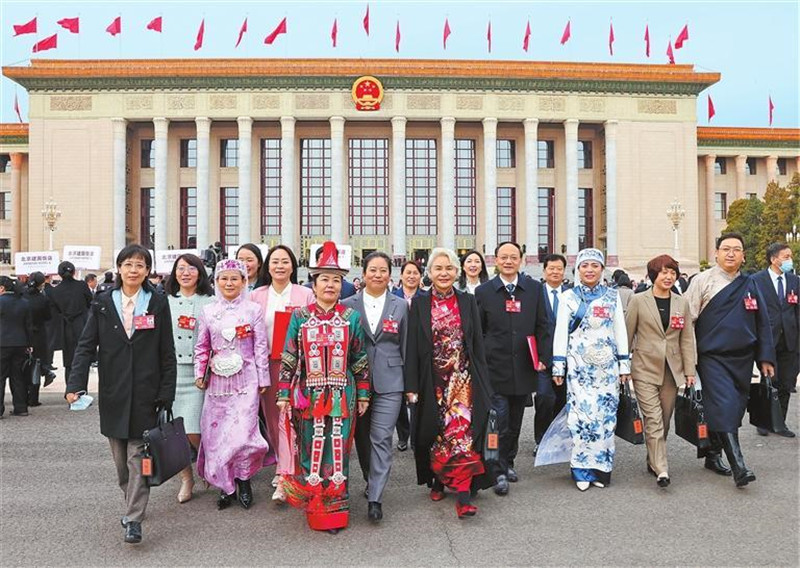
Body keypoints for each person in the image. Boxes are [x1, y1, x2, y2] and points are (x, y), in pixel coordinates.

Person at [66, 244, 177, 544]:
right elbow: (86, 346)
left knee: (138, 457)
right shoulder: (103, 302)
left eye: (140, 265)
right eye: (128, 264)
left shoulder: (157, 302)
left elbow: (167, 351)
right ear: (119, 268)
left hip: (146, 392)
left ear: (148, 270)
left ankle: (133, 519)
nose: (133, 270)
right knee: (121, 463)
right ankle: (132, 500)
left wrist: (166, 391)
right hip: (113, 391)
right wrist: (75, 384)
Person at [277, 241, 370, 533]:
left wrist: (364, 393)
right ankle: (316, 507)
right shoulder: (300, 317)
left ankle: (336, 511)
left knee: (338, 449)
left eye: (336, 280)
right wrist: (283, 394)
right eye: (324, 279)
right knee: (311, 448)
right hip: (309, 395)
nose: (330, 285)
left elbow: (359, 357)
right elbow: (290, 355)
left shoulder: (351, 317)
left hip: (344, 394)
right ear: (314, 284)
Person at [405, 248, 494, 518]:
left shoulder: (467, 301)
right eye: (438, 268)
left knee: (462, 436)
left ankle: (463, 495)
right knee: (436, 435)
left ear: (457, 272)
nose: (444, 273)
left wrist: (484, 383)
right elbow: (412, 347)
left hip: (462, 382)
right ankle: (438, 479)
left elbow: (476, 344)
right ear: (429, 273)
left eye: (449, 268)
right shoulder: (419, 303)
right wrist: (411, 387)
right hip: (432, 382)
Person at [684, 233, 776, 487]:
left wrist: (765, 358)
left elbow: (762, 323)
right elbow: (688, 321)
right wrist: (689, 360)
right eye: (726, 249)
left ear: (743, 256)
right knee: (724, 405)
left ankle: (712, 454)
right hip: (712, 358)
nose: (731, 253)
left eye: (737, 249)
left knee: (734, 409)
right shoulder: (702, 281)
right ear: (716, 253)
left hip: (743, 359)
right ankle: (739, 466)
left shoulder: (751, 284)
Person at [194, 258, 271, 510]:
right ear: (216, 281)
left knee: (243, 434)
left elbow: (261, 347)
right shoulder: (208, 311)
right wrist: (200, 373)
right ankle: (225, 485)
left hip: (247, 382)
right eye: (224, 278)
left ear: (243, 281)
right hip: (218, 383)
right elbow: (202, 346)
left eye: (234, 278)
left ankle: (244, 480)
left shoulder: (253, 310)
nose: (229, 283)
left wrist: (263, 378)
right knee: (217, 435)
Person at [475, 242, 550, 496]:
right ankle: (496, 470)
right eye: (503, 257)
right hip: (494, 367)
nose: (508, 261)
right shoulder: (484, 292)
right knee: (499, 420)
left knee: (516, 420)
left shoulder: (534, 289)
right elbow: (478, 331)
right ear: (496, 260)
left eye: (513, 257)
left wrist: (543, 357)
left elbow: (543, 325)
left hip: (524, 366)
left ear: (521, 260)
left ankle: (509, 461)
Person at [552, 248, 630, 491]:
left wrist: (624, 364)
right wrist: (558, 366)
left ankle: (601, 470)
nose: (589, 270)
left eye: (594, 265)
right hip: (579, 369)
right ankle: (581, 469)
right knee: (581, 419)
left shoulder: (612, 296)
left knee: (605, 420)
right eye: (584, 265)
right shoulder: (568, 297)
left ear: (602, 269)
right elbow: (561, 332)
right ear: (578, 270)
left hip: (606, 370)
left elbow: (620, 331)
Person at [343, 251, 408, 522]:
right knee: (362, 438)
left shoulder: (400, 305)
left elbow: (406, 345)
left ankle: (376, 497)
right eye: (373, 270)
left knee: (381, 437)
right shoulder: (347, 305)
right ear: (363, 273)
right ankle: (370, 477)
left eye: (383, 270)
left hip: (390, 380)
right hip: (355, 382)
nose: (378, 275)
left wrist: (410, 385)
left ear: (390, 275)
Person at [625, 255, 697, 488]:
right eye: (664, 272)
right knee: (653, 418)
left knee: (664, 419)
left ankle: (653, 459)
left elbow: (687, 339)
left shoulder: (681, 303)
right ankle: (662, 468)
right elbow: (628, 334)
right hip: (644, 368)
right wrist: (623, 366)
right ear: (653, 275)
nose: (668, 277)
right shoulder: (638, 300)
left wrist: (690, 370)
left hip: (671, 370)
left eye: (672, 273)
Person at [250, 245, 314, 502]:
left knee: (296, 417)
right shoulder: (256, 296)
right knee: (274, 418)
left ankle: (294, 466)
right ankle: (282, 466)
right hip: (268, 365)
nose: (279, 266)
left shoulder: (305, 294)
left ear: (293, 266)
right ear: (267, 266)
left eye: (285, 261)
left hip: (298, 366)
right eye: (275, 261)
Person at [165, 253, 214, 503]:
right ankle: (186, 478)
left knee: (195, 429)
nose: (185, 273)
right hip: (172, 371)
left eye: (191, 268)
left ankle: (208, 466)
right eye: (181, 268)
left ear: (200, 273)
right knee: (177, 431)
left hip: (199, 373)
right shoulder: (164, 301)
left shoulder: (211, 302)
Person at [752, 243, 798, 437]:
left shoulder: (794, 280)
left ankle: (780, 423)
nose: (790, 260)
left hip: (790, 339)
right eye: (786, 256)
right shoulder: (756, 280)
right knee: (768, 380)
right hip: (767, 338)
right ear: (773, 259)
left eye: (790, 256)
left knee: (786, 383)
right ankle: (763, 422)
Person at [534, 254, 570, 454]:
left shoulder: (571, 294)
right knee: (544, 398)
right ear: (544, 271)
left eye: (559, 269)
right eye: (551, 268)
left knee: (562, 400)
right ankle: (541, 439)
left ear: (564, 272)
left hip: (567, 359)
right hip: (543, 359)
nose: (555, 272)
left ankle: (557, 438)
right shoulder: (535, 294)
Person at [392, 260, 426, 451]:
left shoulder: (426, 297)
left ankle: (416, 435)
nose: (411, 276)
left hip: (419, 354)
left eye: (415, 273)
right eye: (408, 272)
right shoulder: (392, 298)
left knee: (416, 396)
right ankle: (403, 435)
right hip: (396, 354)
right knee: (398, 398)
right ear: (401, 275)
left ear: (420, 276)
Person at [48, 261, 92, 373]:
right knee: (83, 358)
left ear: (59, 274)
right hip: (82, 324)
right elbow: (90, 302)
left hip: (65, 326)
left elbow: (55, 311)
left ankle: (70, 383)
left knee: (69, 361)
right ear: (74, 272)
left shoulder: (55, 291)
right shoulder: (82, 286)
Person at [1, 276, 33, 418]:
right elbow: (29, 325)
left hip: (2, 343)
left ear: (2, 288)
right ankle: (21, 407)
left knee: (0, 377)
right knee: (18, 376)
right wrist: (29, 343)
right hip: (21, 343)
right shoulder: (24, 303)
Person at [24, 272, 55, 406]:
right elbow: (48, 316)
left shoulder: (22, 296)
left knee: (23, 367)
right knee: (36, 366)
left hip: (24, 334)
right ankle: (33, 398)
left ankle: (22, 397)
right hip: (38, 334)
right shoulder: (43, 299)